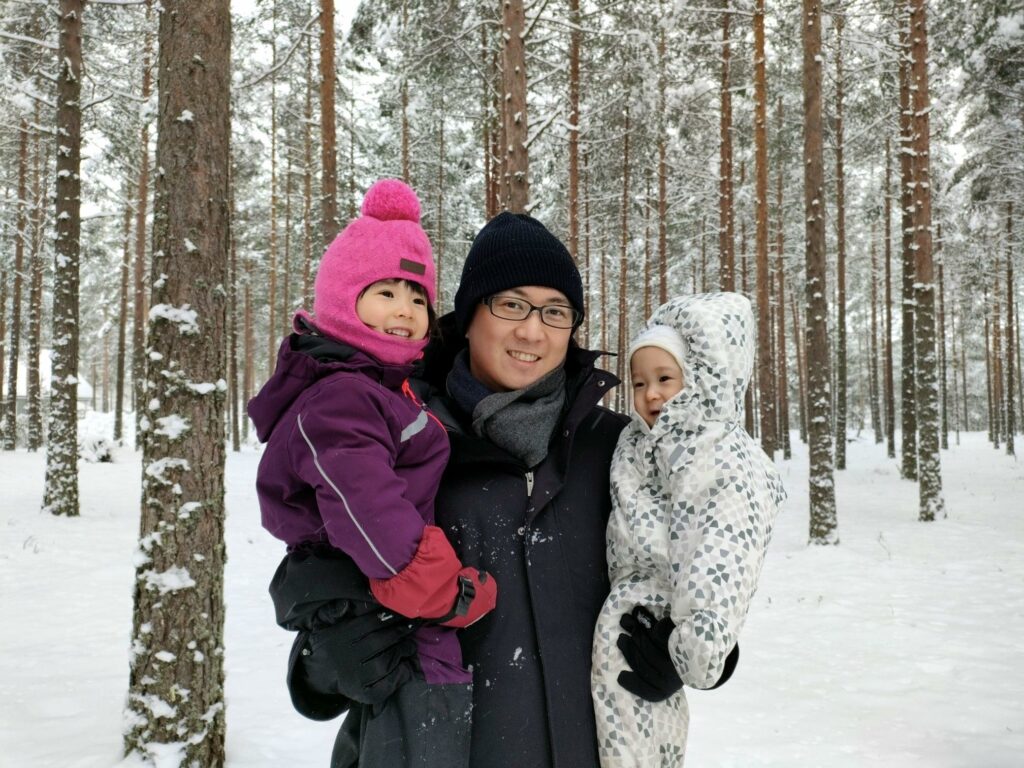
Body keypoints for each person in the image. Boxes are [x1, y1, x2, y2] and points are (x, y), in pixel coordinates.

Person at [271, 210, 630, 768]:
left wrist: (693, 648)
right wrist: (325, 664)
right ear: (466, 317)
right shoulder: (399, 440)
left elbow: (688, 565)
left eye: (555, 311)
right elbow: (312, 572)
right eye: (511, 304)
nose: (532, 330)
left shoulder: (613, 448)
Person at [248, 179, 499, 767]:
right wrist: (445, 591)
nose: (405, 311)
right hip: (400, 616)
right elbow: (367, 506)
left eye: (417, 297)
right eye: (385, 292)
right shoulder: (344, 397)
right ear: (341, 299)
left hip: (401, 617)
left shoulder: (387, 390)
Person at [591, 292, 785, 767]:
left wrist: (699, 641)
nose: (650, 394)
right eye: (638, 383)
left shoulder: (716, 455)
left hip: (651, 626)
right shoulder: (633, 443)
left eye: (665, 380)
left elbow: (723, 543)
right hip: (618, 620)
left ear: (699, 382)